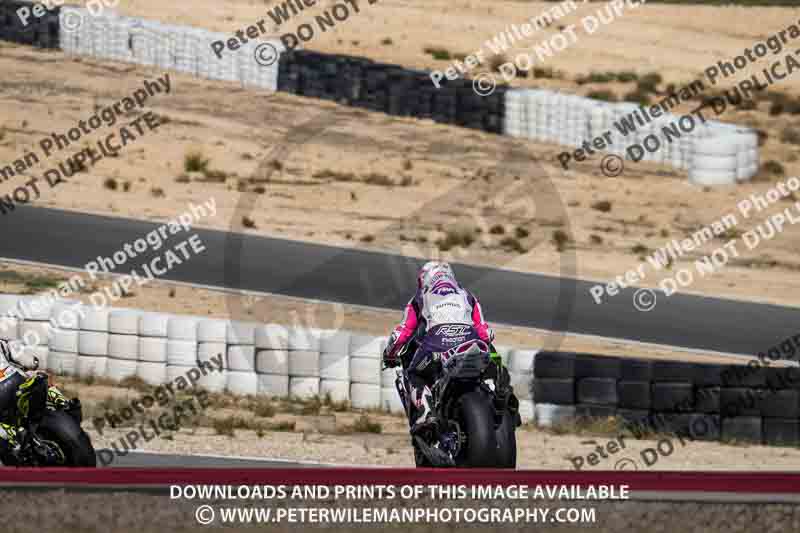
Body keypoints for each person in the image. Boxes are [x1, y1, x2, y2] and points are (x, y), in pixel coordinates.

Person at [382, 261, 494, 433]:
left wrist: (389, 354)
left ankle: (425, 413)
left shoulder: (419, 298)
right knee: (490, 360)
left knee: (412, 374)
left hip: (436, 343)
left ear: (423, 279)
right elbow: (486, 332)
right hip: (469, 342)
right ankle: (493, 392)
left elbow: (402, 333)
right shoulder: (468, 295)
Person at [0, 339, 70, 463]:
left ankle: (12, 443)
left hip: (5, 395)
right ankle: (64, 403)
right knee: (39, 377)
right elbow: (29, 361)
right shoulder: (2, 342)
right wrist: (33, 362)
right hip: (17, 382)